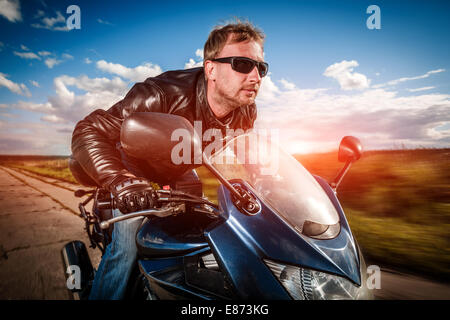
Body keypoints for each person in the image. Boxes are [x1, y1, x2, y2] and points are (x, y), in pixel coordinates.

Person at [71, 19, 268, 299]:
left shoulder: (245, 109)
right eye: (242, 64)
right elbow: (88, 129)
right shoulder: (161, 94)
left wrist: (270, 184)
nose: (255, 76)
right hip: (130, 166)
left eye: (261, 67)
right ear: (210, 69)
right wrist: (121, 181)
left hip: (175, 167)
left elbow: (247, 152)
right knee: (128, 245)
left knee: (201, 234)